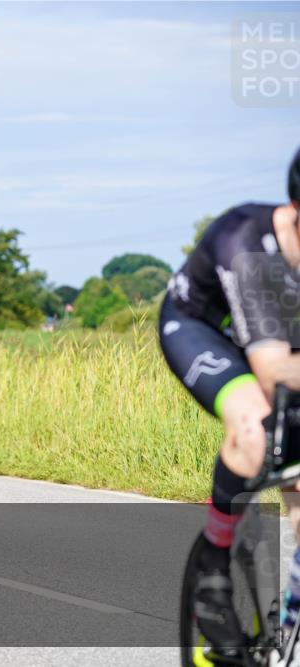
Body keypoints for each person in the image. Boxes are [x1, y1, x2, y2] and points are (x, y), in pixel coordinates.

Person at [160, 147, 300, 652]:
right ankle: (214, 571)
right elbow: (276, 372)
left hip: (286, 345)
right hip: (204, 331)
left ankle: (288, 627)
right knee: (254, 429)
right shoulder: (249, 241)